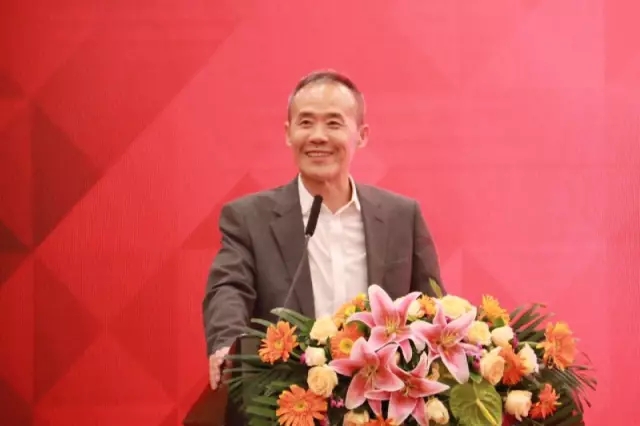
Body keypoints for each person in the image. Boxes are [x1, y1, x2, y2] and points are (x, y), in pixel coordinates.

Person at [203, 70, 445, 391]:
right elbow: (229, 289)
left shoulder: (401, 217)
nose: (318, 136)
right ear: (288, 133)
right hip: (285, 400)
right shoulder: (249, 218)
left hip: (382, 401)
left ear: (361, 135)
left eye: (333, 123)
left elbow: (431, 306)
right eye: (306, 123)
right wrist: (227, 343)